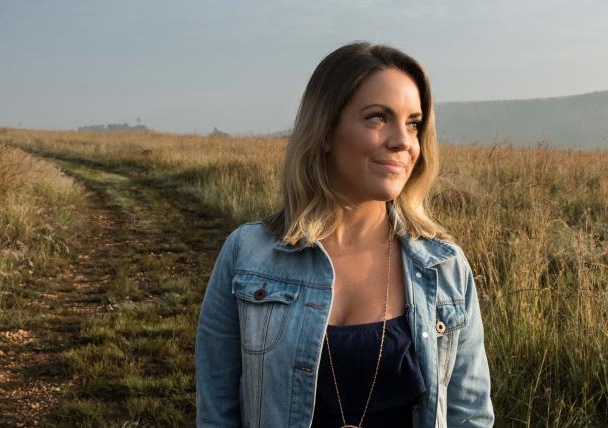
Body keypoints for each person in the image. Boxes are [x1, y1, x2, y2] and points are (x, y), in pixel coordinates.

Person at [195, 41, 495, 428]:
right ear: (324, 131)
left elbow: (469, 416)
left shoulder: (445, 268)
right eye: (377, 118)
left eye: (413, 123)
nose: (403, 141)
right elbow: (217, 414)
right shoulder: (248, 256)